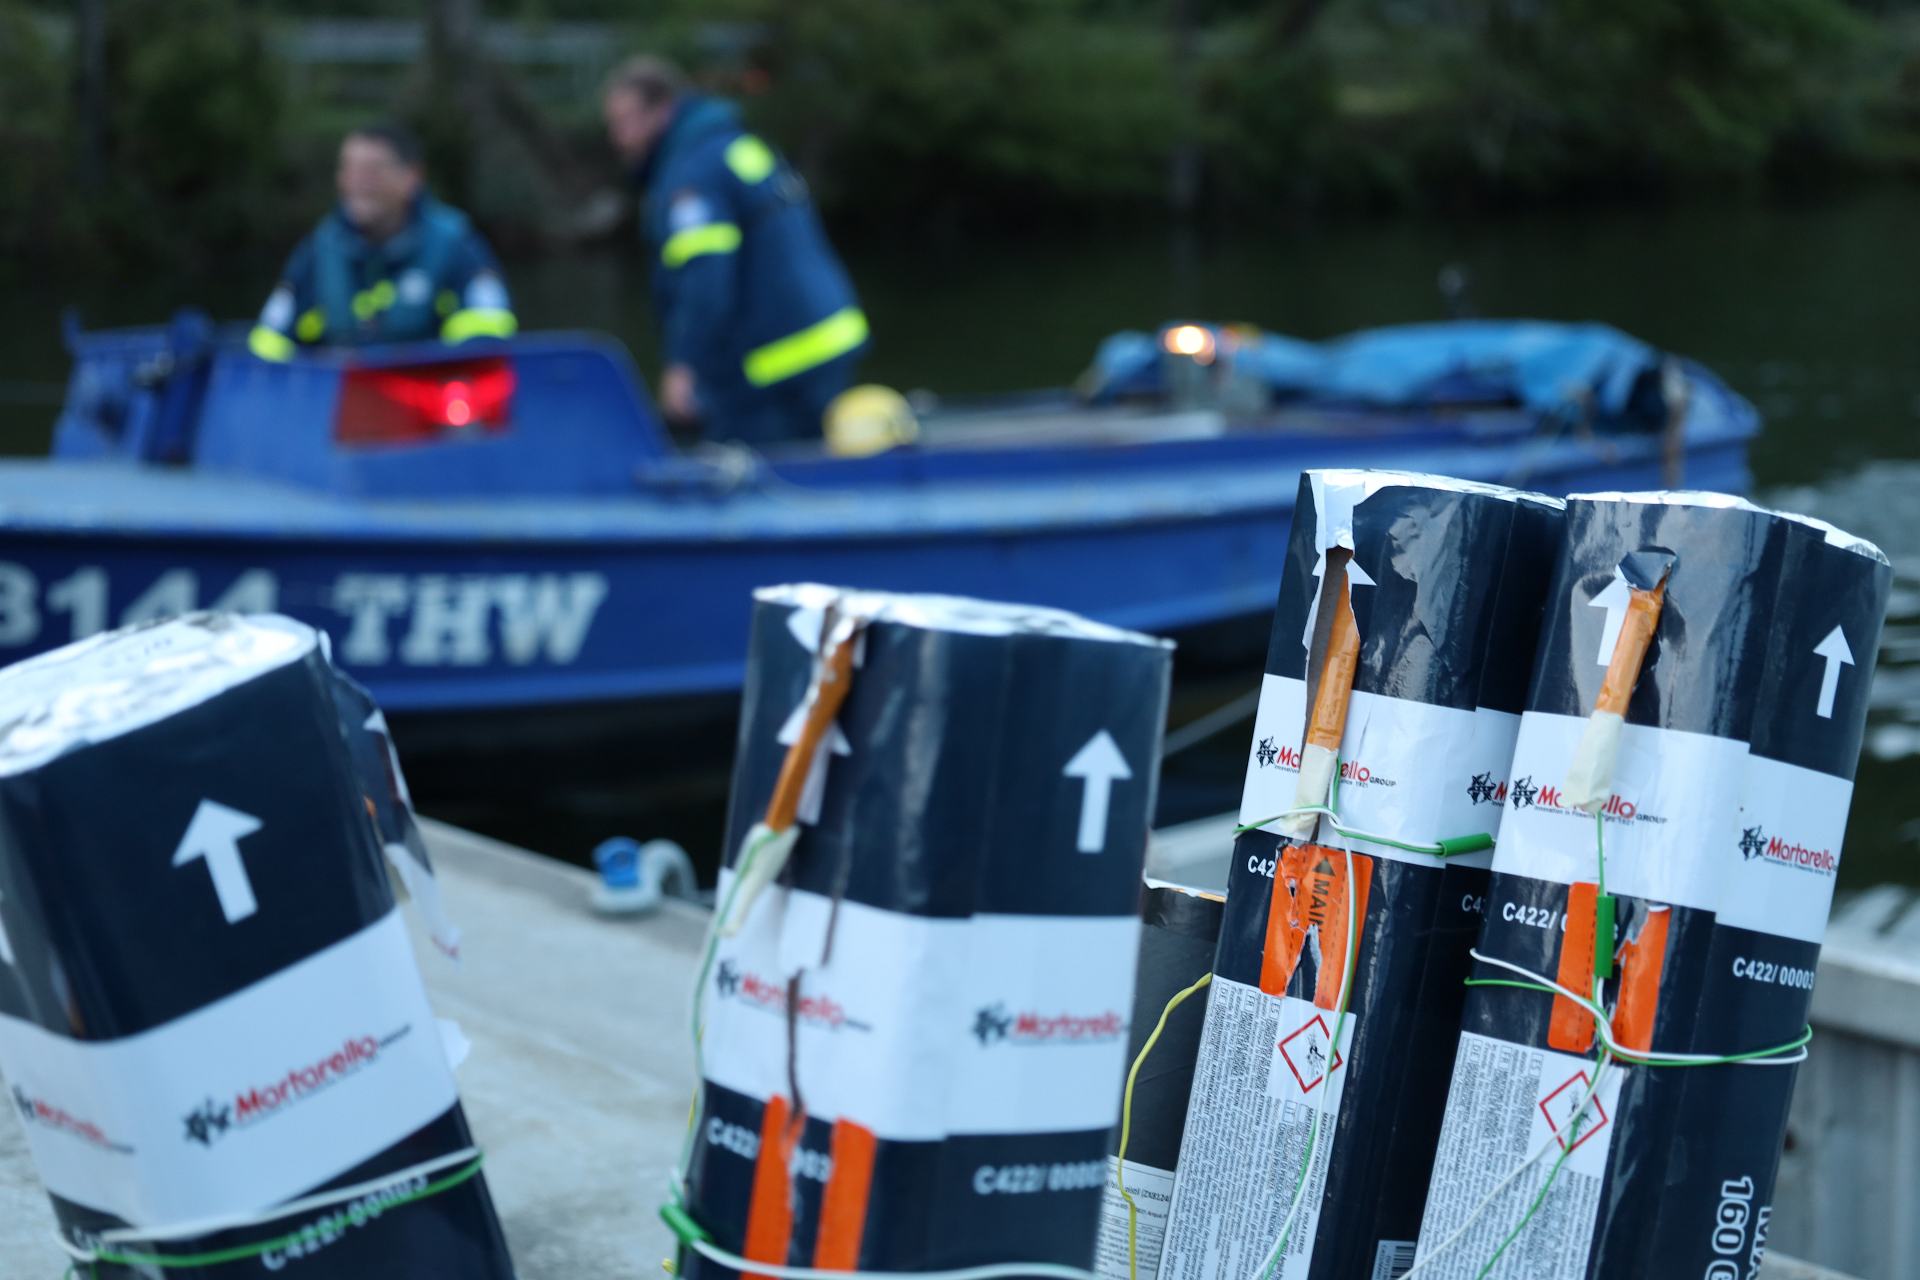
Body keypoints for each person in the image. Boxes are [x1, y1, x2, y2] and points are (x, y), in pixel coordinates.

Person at [602, 56, 868, 446]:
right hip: (828, 338)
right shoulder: (732, 146)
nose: (618, 138)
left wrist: (684, 366)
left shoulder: (692, 176)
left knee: (754, 481)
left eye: (625, 122)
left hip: (777, 362)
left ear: (662, 110)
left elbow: (706, 279)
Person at [248, 124, 516, 361]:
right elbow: (271, 340)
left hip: (429, 403)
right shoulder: (318, 249)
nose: (358, 182)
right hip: (338, 405)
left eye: (373, 170)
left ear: (412, 177)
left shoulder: (456, 246)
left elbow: (488, 335)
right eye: (349, 168)